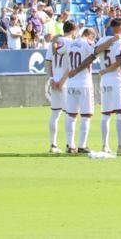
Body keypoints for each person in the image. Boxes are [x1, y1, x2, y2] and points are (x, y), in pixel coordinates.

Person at [56, 27, 119, 154]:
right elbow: (96, 52)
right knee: (86, 116)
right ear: (89, 35)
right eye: (93, 37)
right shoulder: (87, 44)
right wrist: (112, 40)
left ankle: (70, 145)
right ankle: (82, 145)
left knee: (71, 115)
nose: (94, 39)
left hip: (71, 83)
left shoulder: (70, 44)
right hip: (84, 82)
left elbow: (57, 50)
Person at [96, 17, 121, 154]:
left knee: (106, 113)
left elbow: (96, 51)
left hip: (105, 80)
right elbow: (119, 62)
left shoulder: (103, 40)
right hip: (117, 78)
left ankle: (105, 145)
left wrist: (104, 71)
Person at [45, 20, 77, 153]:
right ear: (73, 30)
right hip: (66, 82)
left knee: (55, 114)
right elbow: (71, 65)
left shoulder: (54, 43)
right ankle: (70, 145)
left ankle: (53, 145)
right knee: (70, 114)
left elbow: (48, 63)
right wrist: (62, 81)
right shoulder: (71, 43)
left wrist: (52, 79)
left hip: (54, 81)